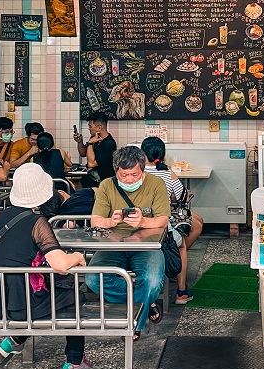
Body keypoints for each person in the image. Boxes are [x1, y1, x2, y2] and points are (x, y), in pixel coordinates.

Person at [0, 163, 89, 367]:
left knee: (51, 288)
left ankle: (16, 340)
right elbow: (60, 263)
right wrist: (77, 256)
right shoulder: (37, 222)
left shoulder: (2, 217)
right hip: (24, 302)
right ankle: (74, 361)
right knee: (75, 296)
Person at [87, 146, 169, 340]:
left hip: (148, 244)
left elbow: (163, 220)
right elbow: (95, 220)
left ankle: (133, 326)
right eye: (124, 175)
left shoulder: (156, 184)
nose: (130, 180)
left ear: (143, 170)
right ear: (116, 171)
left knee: (151, 279)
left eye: (134, 174)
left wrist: (143, 222)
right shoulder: (107, 185)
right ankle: (145, 303)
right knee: (93, 279)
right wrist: (110, 221)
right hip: (113, 243)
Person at [141, 137, 204, 305]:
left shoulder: (135, 173)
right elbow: (183, 196)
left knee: (196, 220)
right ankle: (181, 291)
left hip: (138, 222)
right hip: (162, 221)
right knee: (181, 243)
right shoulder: (167, 173)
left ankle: (170, 264)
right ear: (162, 154)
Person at [73, 112, 116, 188]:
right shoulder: (94, 139)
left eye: (90, 127)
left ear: (99, 128)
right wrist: (80, 142)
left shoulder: (109, 144)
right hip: (91, 177)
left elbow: (91, 164)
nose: (89, 129)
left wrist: (90, 143)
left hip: (101, 181)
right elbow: (83, 153)